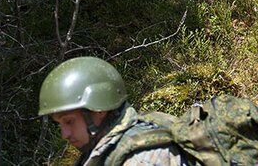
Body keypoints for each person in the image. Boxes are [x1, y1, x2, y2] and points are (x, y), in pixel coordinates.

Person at [39, 56, 191, 165]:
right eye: (59, 124)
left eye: (69, 121)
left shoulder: (142, 158)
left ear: (98, 110)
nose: (64, 134)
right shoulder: (102, 152)